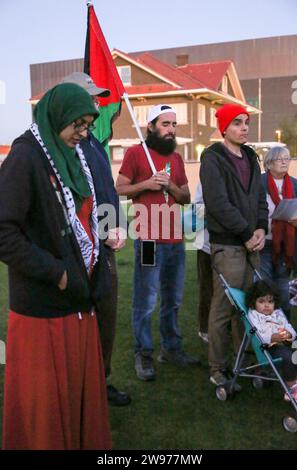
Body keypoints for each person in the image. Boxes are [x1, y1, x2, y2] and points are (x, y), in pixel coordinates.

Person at [0, 83, 112, 449]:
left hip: (79, 303)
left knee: (78, 406)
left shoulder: (75, 157)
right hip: (44, 310)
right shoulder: (25, 157)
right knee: (45, 417)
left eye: (87, 125)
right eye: (76, 125)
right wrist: (57, 272)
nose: (82, 133)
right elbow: (4, 232)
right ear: (56, 117)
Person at [116, 104, 200, 381]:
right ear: (150, 126)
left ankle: (171, 349)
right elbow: (120, 188)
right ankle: (144, 353)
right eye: (165, 124)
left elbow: (186, 196)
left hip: (175, 239)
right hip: (149, 239)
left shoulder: (175, 159)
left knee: (173, 299)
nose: (171, 130)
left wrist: (170, 187)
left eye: (174, 125)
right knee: (146, 299)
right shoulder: (135, 153)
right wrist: (147, 184)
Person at [62, 72, 130, 407]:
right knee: (77, 319)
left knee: (105, 314)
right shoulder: (63, 145)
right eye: (88, 97)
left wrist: (116, 227)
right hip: (77, 249)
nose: (95, 104)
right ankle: (77, 389)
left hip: (105, 246)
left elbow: (107, 193)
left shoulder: (93, 143)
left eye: (95, 98)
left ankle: (99, 383)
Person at [200, 103, 268, 387]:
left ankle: (243, 362)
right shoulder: (212, 158)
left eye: (246, 123)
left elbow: (260, 197)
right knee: (225, 306)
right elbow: (218, 205)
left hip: (252, 242)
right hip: (228, 245)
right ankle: (218, 367)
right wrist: (245, 233)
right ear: (224, 128)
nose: (244, 128)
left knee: (249, 307)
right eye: (238, 123)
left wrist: (262, 228)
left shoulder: (251, 156)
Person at [260, 146, 297, 318]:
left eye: (287, 158)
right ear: (269, 164)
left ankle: (286, 332)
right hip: (263, 243)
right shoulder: (258, 183)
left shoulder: (296, 185)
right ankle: (267, 329)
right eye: (279, 158)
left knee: (283, 289)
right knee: (265, 287)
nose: (284, 161)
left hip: (287, 245)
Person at [246, 280, 297, 403]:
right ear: (253, 302)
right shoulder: (254, 315)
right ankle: (291, 387)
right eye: (261, 301)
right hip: (269, 348)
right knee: (288, 356)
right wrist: (271, 337)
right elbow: (257, 334)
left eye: (270, 302)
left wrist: (289, 334)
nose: (266, 305)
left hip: (285, 343)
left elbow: (289, 327)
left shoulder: (278, 313)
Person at [194, 182, 212, 344]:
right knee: (207, 288)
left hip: (233, 244)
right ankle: (204, 328)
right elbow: (197, 209)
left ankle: (225, 327)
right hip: (207, 245)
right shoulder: (205, 181)